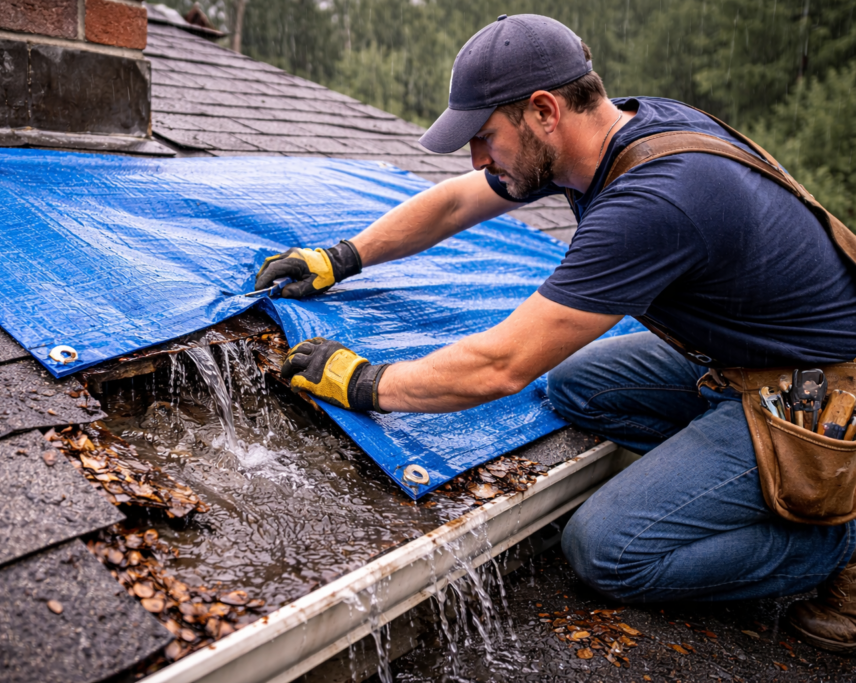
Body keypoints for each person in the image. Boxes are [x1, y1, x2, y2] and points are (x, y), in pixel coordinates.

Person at [253, 14, 856, 652]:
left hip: (815, 390)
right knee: (574, 386)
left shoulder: (656, 200)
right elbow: (458, 201)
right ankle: (734, 473)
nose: (479, 158)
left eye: (485, 136)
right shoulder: (610, 134)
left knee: (606, 550)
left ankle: (834, 534)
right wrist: (341, 257)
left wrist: (365, 381)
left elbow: (501, 365)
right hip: (734, 358)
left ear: (544, 110)